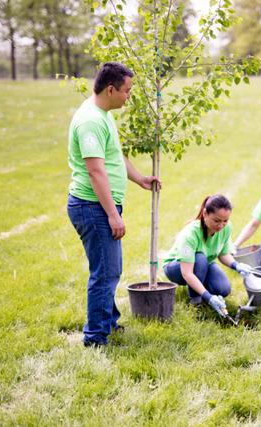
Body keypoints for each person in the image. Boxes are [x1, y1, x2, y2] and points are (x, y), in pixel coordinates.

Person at [67, 62, 161, 347]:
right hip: (92, 207)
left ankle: (107, 322)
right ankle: (95, 337)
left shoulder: (103, 114)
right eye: (127, 91)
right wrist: (112, 215)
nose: (128, 96)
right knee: (105, 273)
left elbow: (115, 156)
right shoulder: (90, 121)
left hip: (101, 207)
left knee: (110, 268)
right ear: (111, 89)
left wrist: (140, 179)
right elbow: (96, 171)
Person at [162, 194, 250, 316]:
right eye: (217, 220)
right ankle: (195, 301)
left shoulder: (226, 228)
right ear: (205, 214)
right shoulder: (190, 234)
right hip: (176, 268)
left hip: (202, 265)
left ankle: (199, 286)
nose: (221, 225)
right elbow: (187, 273)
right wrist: (209, 297)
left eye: (225, 221)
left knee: (223, 289)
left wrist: (237, 265)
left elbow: (223, 254)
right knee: (200, 258)